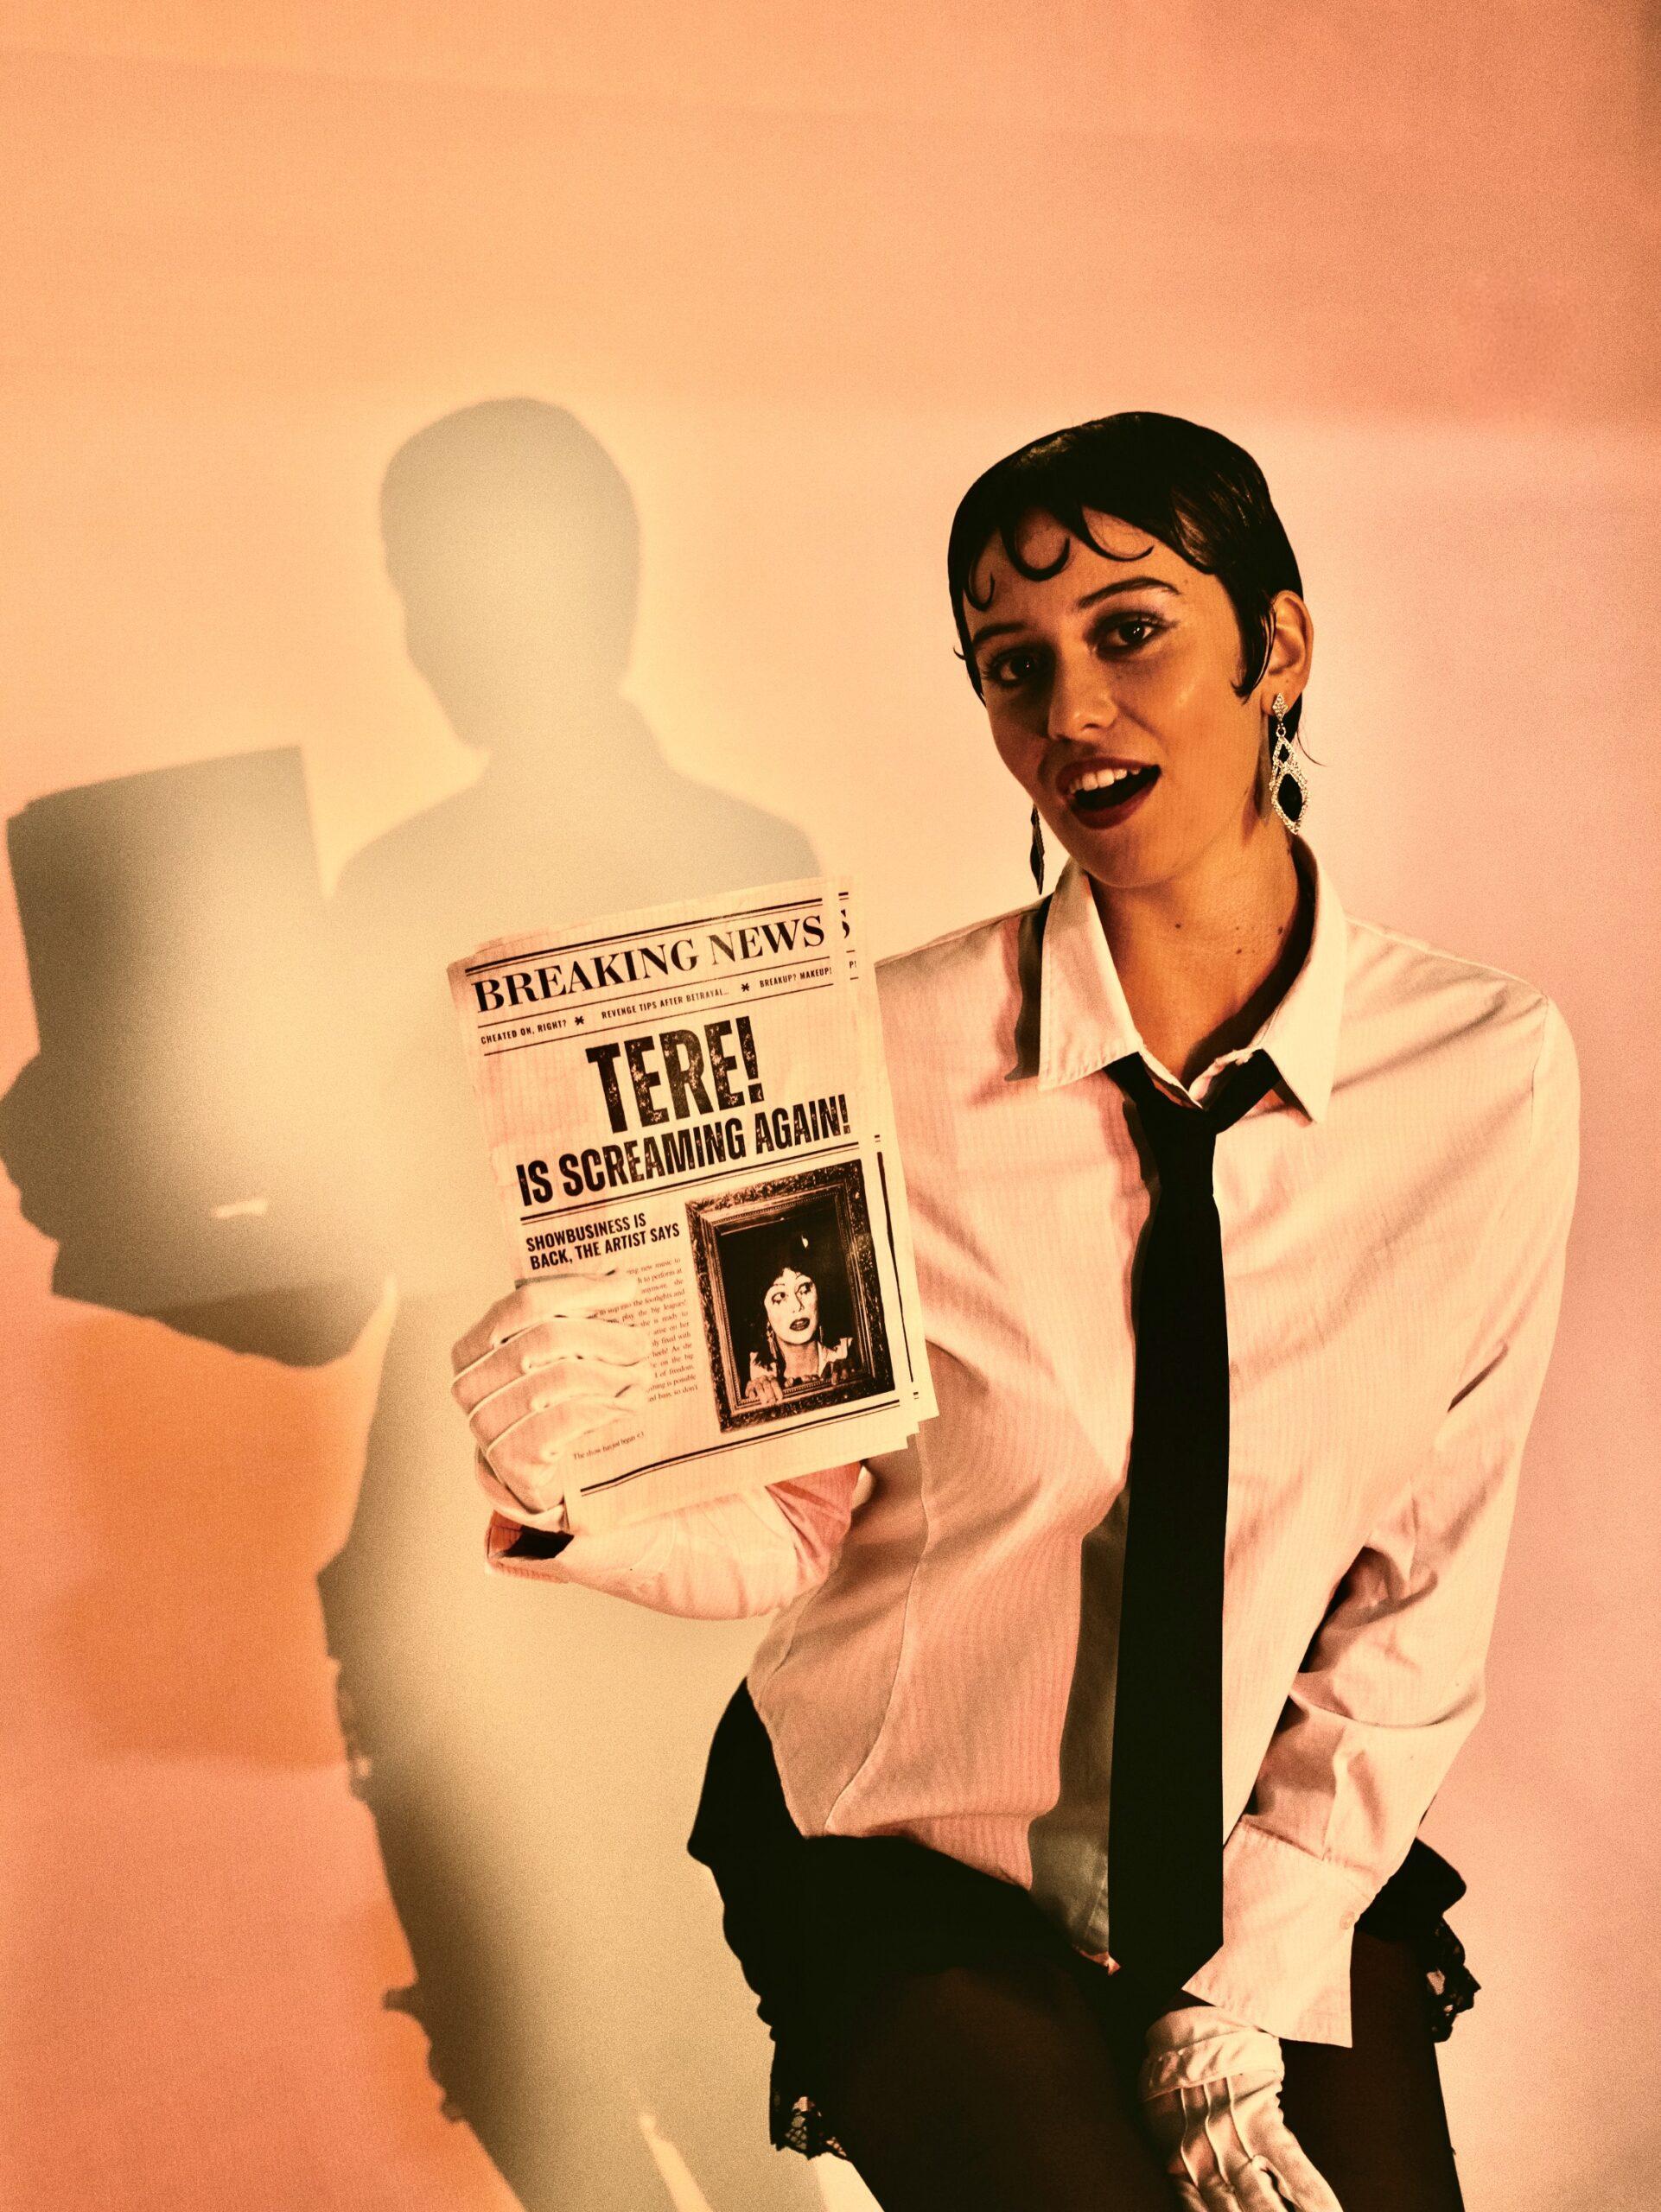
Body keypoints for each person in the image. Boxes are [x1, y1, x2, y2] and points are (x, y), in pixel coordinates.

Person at [449, 412, 1581, 2211]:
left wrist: (1247, 1989)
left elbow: (1419, 1589)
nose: (1070, 710)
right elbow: (791, 1523)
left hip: (1265, 1829)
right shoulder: (875, 1053)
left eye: (1129, 632)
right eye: (1011, 663)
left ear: (1278, 646)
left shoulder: (1482, 1072)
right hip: (906, 1845)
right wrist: (577, 1478)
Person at [740, 1227, 856, 1405]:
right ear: (765, 1317)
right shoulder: (751, 1375)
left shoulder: (853, 1351)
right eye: (780, 1296)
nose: (797, 1306)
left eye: (804, 1289)